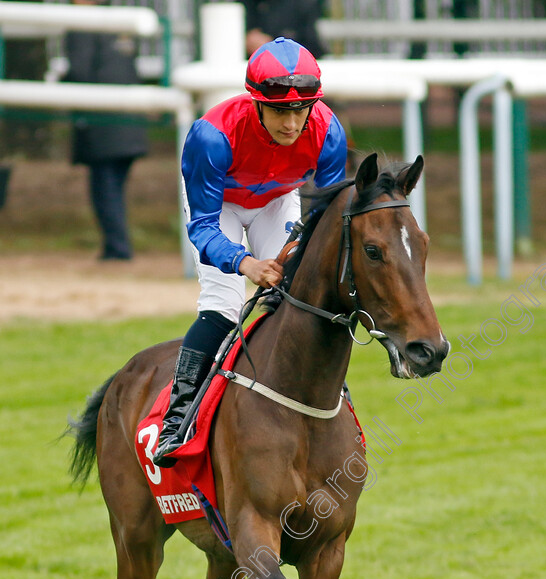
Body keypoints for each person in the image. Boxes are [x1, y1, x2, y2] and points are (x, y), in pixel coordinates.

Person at [153, 36, 347, 467]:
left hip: (277, 200)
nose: (293, 124)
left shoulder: (328, 131)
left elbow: (328, 211)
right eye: (280, 110)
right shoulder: (211, 136)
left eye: (302, 110)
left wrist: (297, 250)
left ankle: (329, 395)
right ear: (256, 101)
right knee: (223, 308)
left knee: (295, 299)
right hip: (219, 205)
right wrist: (245, 263)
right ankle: (177, 417)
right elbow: (202, 228)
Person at [64, 0, 148, 260]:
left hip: (102, 124)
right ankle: (118, 245)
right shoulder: (119, 23)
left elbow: (79, 69)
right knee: (114, 187)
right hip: (130, 123)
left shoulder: (82, 25)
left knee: (104, 189)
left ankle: (117, 248)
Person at [241, 0, 327, 58]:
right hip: (244, 68)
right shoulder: (243, 4)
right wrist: (243, 40)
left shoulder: (304, 5)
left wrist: (273, 48)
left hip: (288, 74)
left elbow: (313, 49)